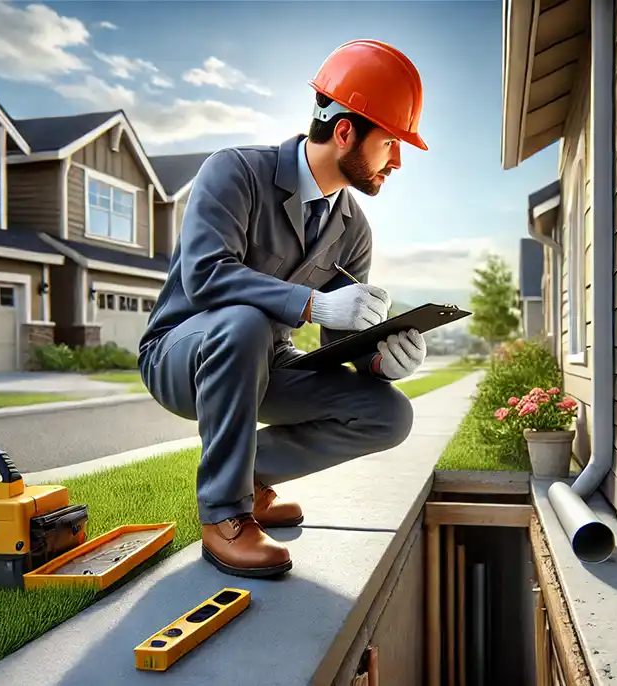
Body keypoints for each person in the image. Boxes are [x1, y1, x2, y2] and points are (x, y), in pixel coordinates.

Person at [138, 39, 430, 579]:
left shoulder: (354, 230)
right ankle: (224, 514)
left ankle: (247, 476)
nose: (398, 160)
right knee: (243, 321)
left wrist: (379, 359)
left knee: (390, 414)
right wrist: (316, 304)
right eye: (391, 142)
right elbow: (205, 277)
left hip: (271, 362)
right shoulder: (234, 173)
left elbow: (333, 348)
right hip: (185, 355)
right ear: (345, 130)